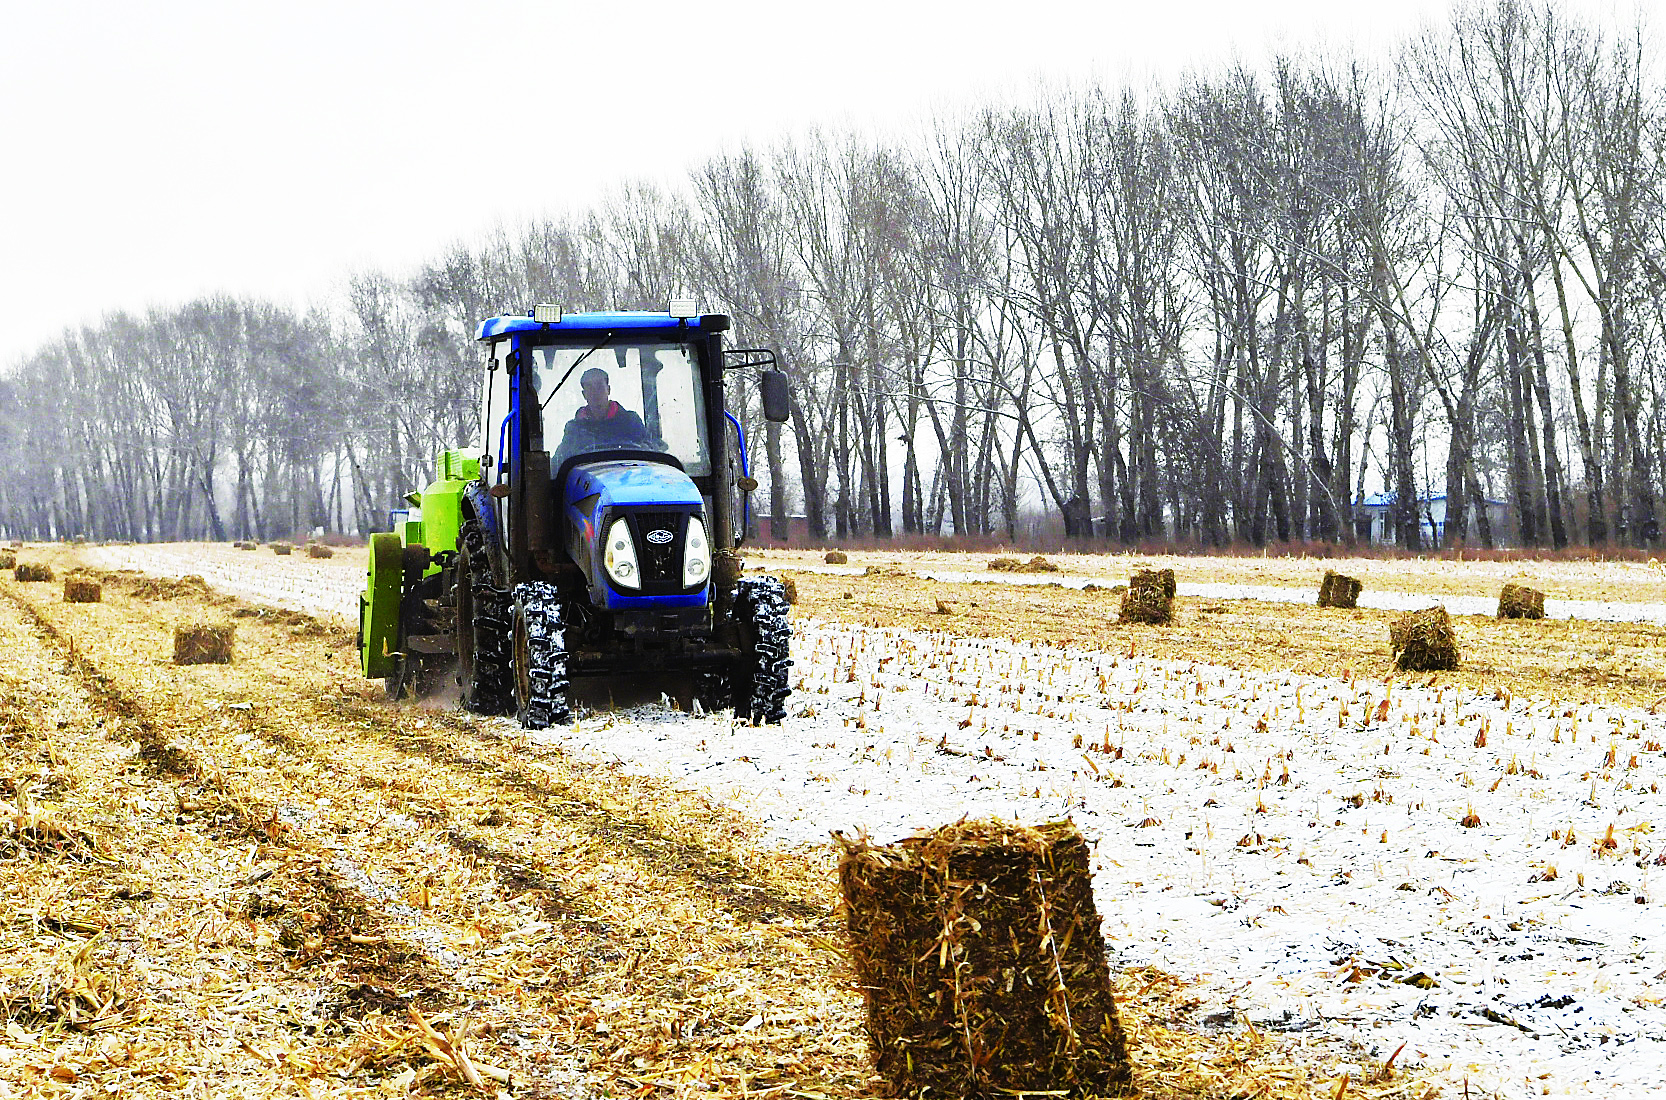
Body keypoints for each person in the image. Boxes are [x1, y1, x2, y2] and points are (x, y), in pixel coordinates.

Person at [554, 367, 655, 460]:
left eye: (599, 387)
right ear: (584, 394)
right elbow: (560, 460)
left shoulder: (631, 421)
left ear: (608, 389)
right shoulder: (575, 429)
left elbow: (650, 451)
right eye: (590, 388)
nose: (595, 392)